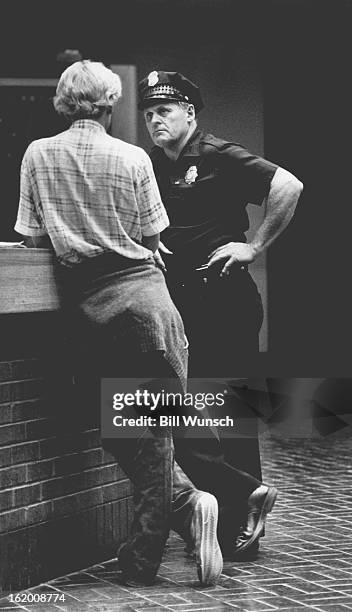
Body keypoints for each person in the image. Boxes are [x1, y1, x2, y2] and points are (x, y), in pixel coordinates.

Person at [14, 60, 225, 587]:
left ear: (62, 102)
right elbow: (154, 240)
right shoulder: (133, 157)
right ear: (111, 103)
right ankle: (177, 519)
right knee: (150, 435)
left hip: (88, 313)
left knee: (120, 429)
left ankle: (155, 545)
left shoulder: (38, 154)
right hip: (146, 307)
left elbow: (34, 239)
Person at [138, 70, 302, 556]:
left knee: (231, 414)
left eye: (163, 111)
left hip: (224, 301)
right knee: (191, 412)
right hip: (178, 304)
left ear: (189, 112)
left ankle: (242, 530)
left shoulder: (217, 154)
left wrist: (255, 245)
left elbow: (289, 185)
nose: (154, 120)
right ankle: (228, 505)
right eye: (148, 113)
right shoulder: (149, 164)